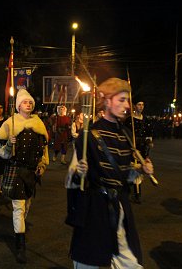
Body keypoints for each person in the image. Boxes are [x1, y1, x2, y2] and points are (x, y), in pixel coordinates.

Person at [66, 78, 153, 268]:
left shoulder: (125, 134)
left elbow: (124, 174)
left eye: (127, 100)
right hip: (94, 209)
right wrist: (80, 172)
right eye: (121, 100)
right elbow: (71, 180)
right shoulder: (89, 135)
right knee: (87, 263)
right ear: (107, 101)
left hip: (120, 205)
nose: (127, 106)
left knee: (131, 263)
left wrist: (140, 170)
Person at [0, 89, 49, 264]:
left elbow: (44, 148)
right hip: (16, 170)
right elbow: (2, 152)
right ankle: (20, 247)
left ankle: (19, 228)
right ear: (18, 105)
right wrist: (8, 145)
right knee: (18, 207)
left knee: (26, 206)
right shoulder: (10, 122)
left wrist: (43, 165)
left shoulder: (39, 122)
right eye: (25, 102)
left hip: (31, 172)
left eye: (30, 102)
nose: (29, 104)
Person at [124, 99, 154, 204]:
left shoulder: (146, 120)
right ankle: (130, 192)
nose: (141, 106)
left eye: (142, 104)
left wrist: (149, 142)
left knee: (140, 170)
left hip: (142, 149)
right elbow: (126, 135)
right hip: (132, 148)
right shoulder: (129, 120)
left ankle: (137, 193)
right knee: (132, 168)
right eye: (139, 104)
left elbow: (149, 133)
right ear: (135, 106)